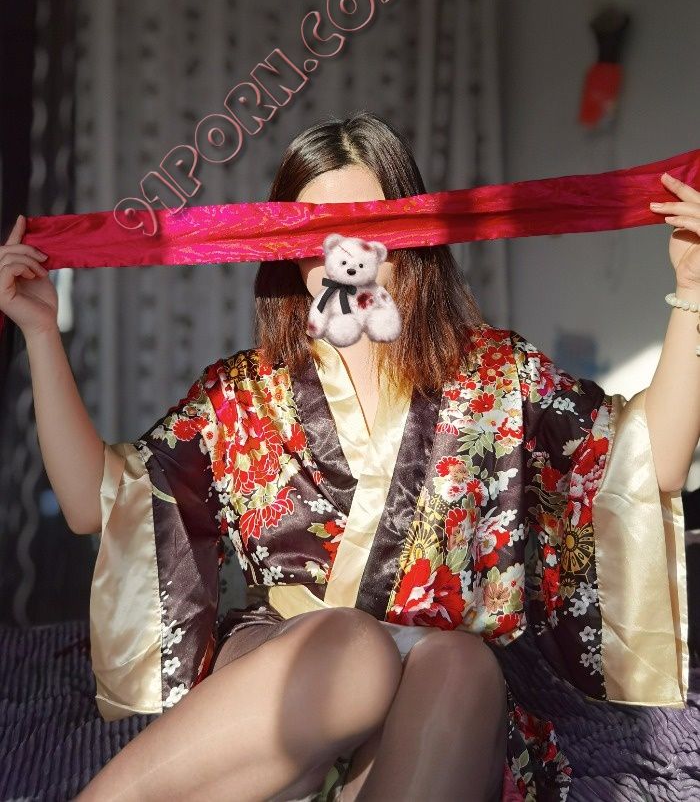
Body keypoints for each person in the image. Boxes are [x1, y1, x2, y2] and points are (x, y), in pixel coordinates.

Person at [0, 111, 690, 802]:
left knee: (460, 662)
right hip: (292, 672)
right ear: (284, 251)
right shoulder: (240, 394)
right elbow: (95, 503)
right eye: (315, 235)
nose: (342, 257)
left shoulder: (499, 375)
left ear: (415, 236)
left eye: (371, 231)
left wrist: (692, 293)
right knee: (355, 650)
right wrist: (40, 332)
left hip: (441, 691)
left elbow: (645, 463)